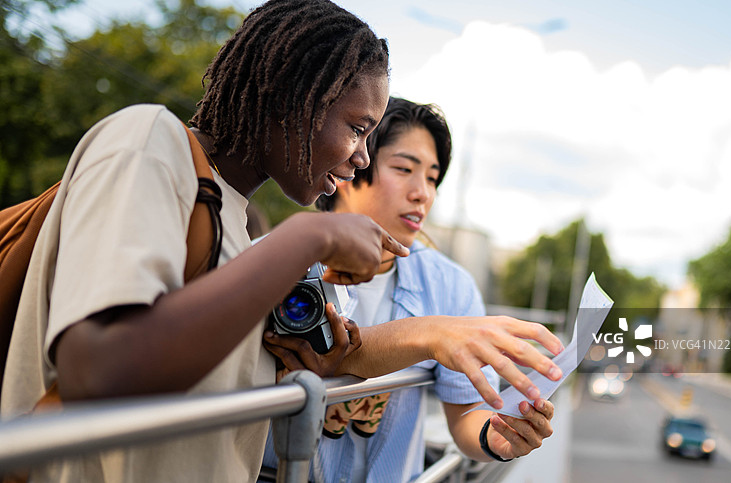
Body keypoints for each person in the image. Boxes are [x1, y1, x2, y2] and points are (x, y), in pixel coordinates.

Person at [1, 1, 401, 481]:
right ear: (293, 96)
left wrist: (300, 371)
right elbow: (100, 372)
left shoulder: (238, 227)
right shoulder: (147, 140)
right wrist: (310, 235)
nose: (362, 159)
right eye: (358, 129)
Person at [261, 97, 559, 482]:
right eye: (404, 169)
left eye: (433, 178)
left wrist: (497, 437)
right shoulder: (271, 260)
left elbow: (465, 415)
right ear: (352, 163)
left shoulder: (450, 285)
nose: (423, 193)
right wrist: (428, 335)